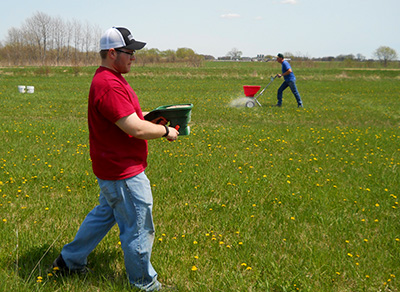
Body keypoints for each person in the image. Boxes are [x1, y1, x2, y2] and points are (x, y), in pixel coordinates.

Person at [51, 26, 179, 291]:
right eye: (129, 52)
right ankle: (145, 284)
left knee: (103, 215)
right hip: (123, 171)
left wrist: (155, 115)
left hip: (112, 168)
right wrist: (165, 130)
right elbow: (135, 128)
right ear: (112, 53)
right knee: (139, 227)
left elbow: (130, 116)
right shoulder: (108, 85)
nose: (134, 57)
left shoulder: (112, 80)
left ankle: (69, 260)